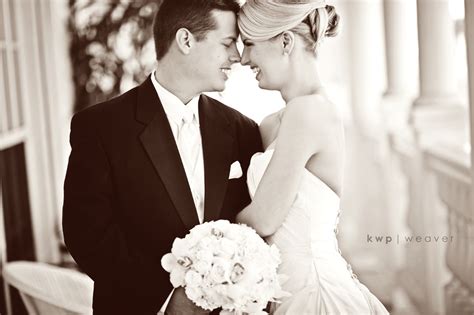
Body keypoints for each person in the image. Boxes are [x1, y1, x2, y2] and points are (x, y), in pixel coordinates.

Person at [62, 0, 262, 314]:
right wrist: (169, 298)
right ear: (185, 40)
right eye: (227, 44)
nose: (236, 57)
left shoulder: (243, 129)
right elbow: (87, 236)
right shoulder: (100, 128)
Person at [236, 0, 390, 314]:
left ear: (286, 41)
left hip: (314, 293)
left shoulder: (310, 111)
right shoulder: (272, 124)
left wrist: (210, 236)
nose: (242, 58)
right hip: (277, 292)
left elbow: (265, 218)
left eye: (249, 44)